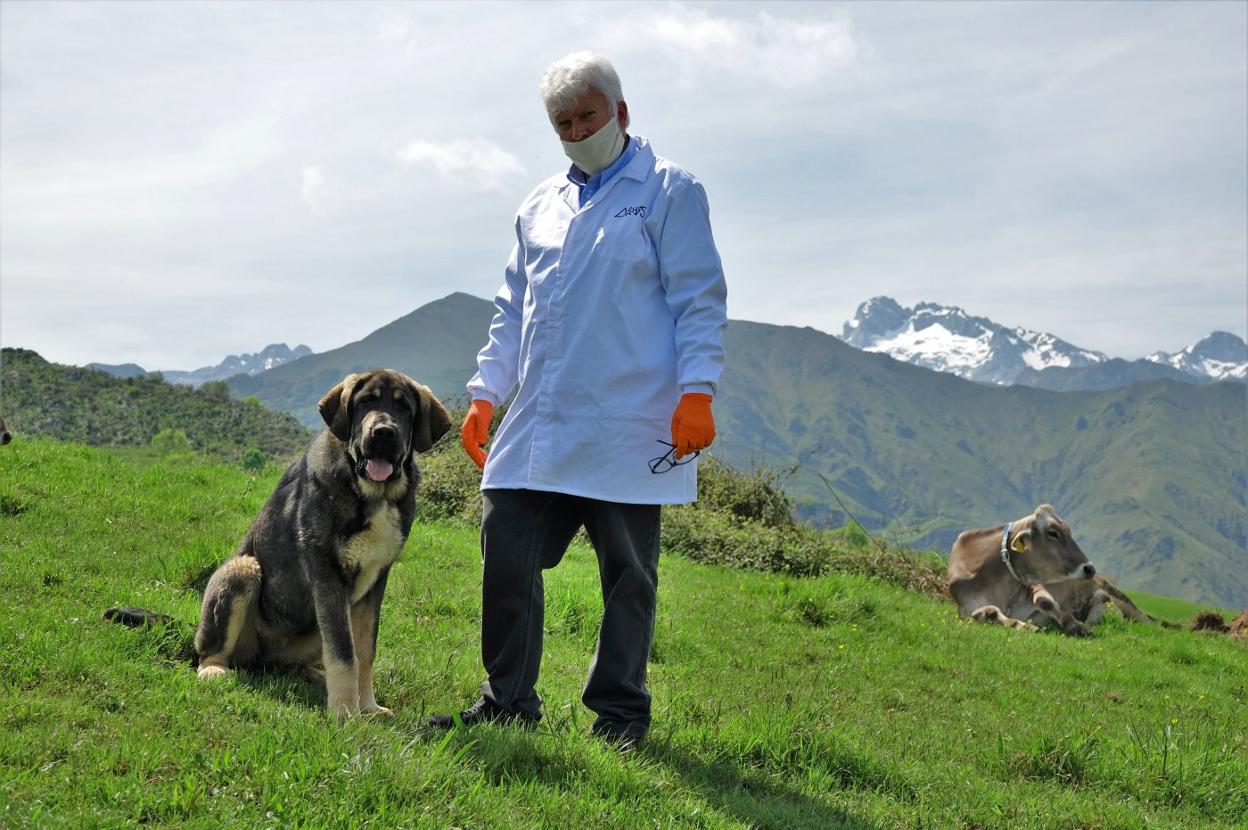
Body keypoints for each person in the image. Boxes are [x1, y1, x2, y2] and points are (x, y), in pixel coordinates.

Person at [429, 52, 727, 746]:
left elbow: (699, 300)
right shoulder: (538, 207)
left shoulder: (668, 192)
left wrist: (697, 392)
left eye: (586, 116)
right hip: (541, 420)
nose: (575, 129)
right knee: (506, 546)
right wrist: (484, 394)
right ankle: (507, 701)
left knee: (628, 573)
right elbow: (513, 309)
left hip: (630, 419)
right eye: (562, 122)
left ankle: (620, 714)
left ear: (620, 113)